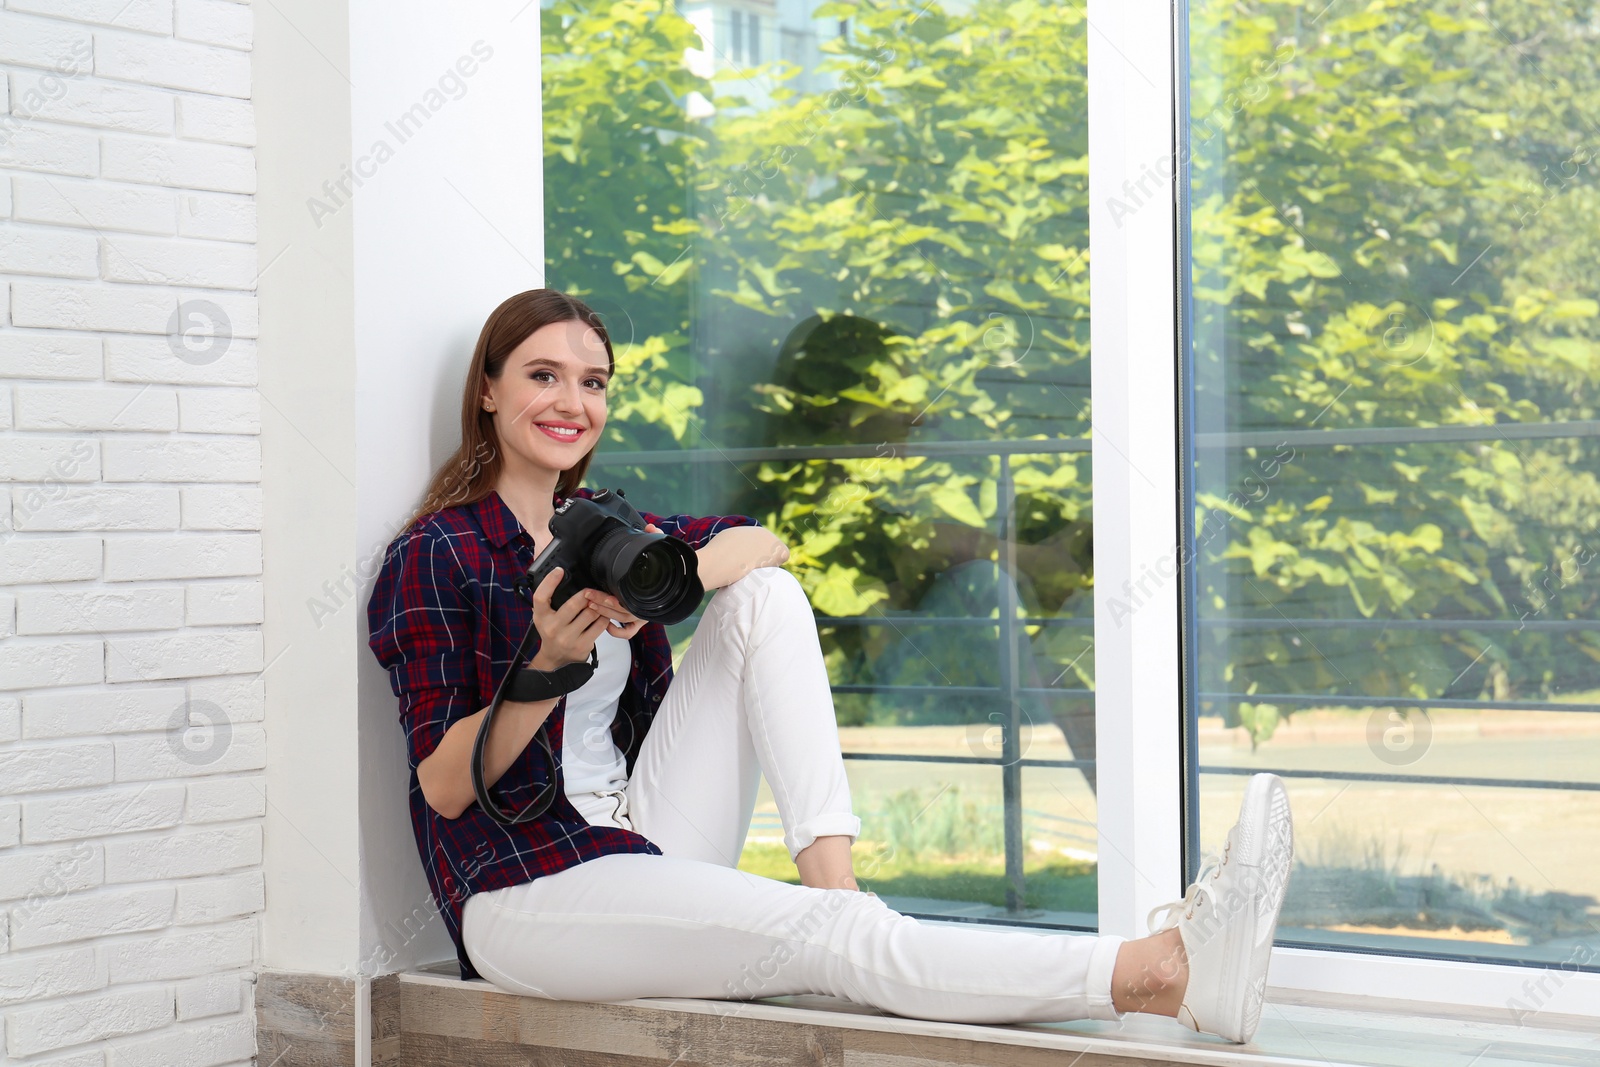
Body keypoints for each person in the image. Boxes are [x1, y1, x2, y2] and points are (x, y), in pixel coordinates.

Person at [366, 288, 1295, 1044]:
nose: (574, 403)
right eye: (543, 375)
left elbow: (760, 543)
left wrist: (664, 581)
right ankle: (1157, 970)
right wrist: (545, 663)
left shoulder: (608, 531)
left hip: (636, 836)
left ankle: (832, 880)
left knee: (766, 596)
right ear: (487, 390)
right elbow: (447, 788)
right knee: (837, 944)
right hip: (528, 891)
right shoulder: (437, 554)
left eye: (594, 382)